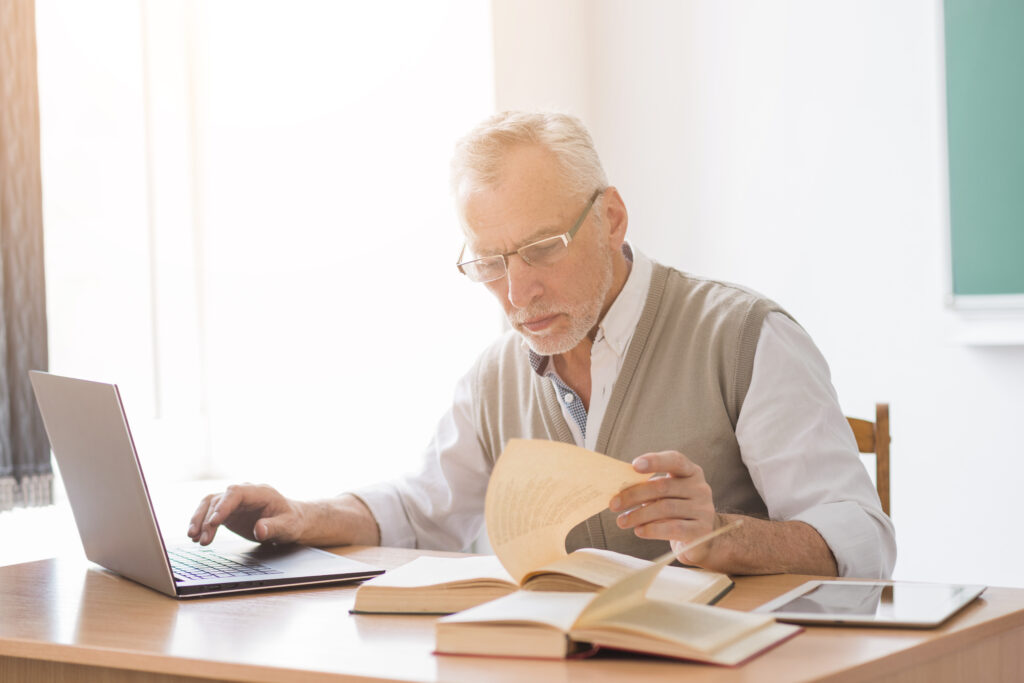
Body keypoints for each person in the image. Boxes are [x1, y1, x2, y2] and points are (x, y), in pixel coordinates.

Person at [188, 111, 895, 578]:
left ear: (611, 218)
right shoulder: (495, 374)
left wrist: (722, 534)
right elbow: (424, 509)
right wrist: (305, 515)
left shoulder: (742, 335)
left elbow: (864, 537)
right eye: (490, 262)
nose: (517, 293)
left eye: (541, 249)